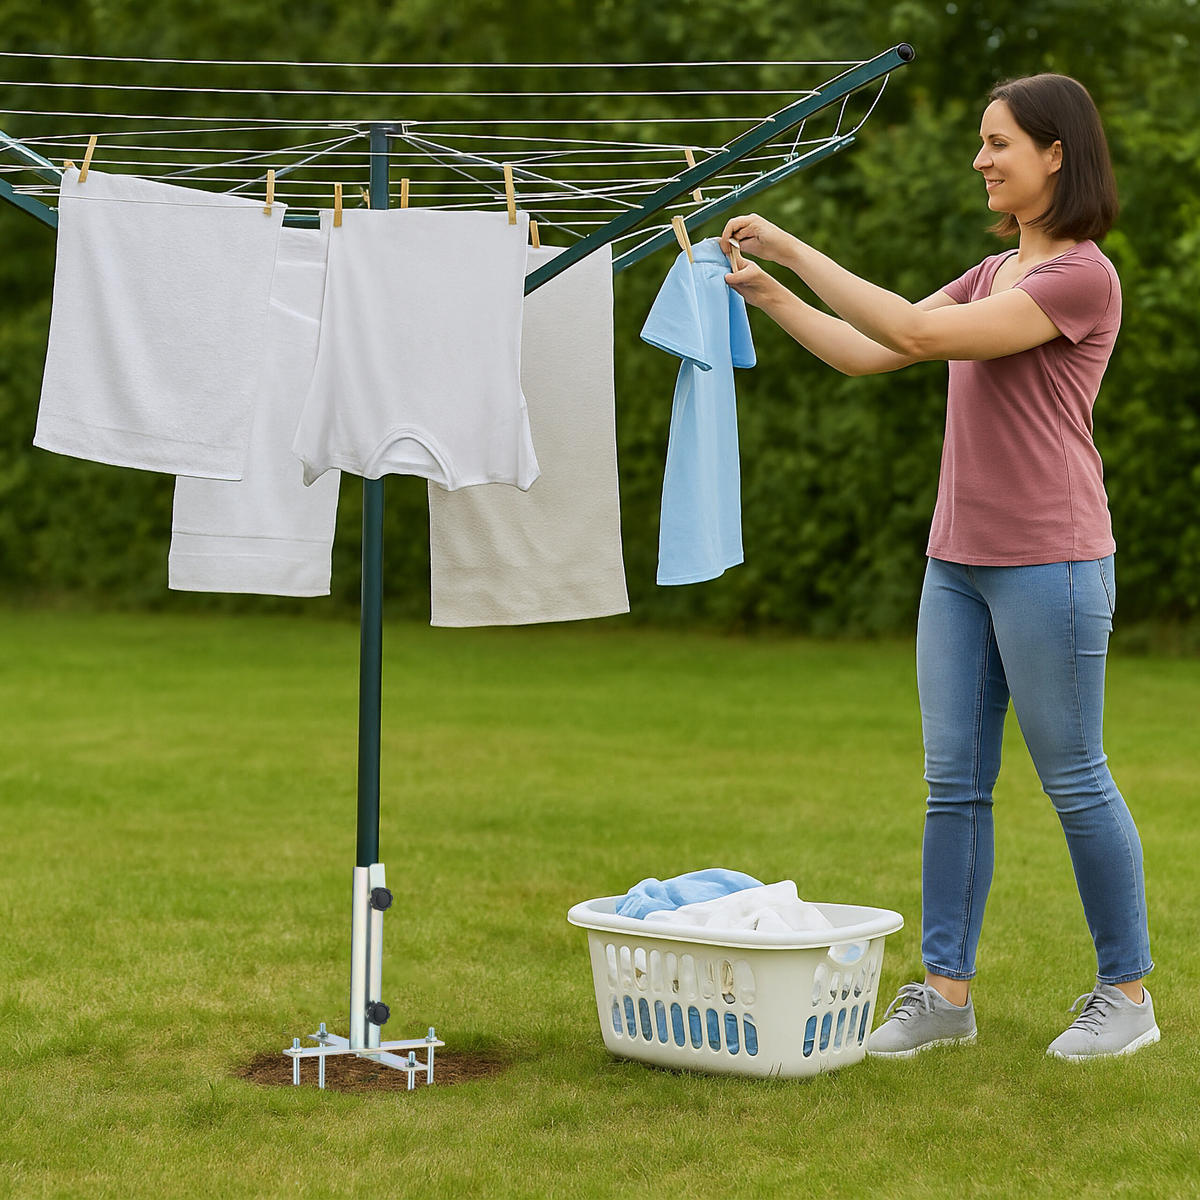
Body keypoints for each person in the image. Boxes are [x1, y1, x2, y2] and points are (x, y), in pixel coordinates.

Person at [720, 73, 1158, 1061]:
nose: (981, 158)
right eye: (980, 140)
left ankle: (1126, 993)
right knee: (952, 784)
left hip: (1054, 560)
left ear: (1056, 153)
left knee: (1075, 776)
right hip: (956, 563)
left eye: (997, 141)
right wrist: (771, 293)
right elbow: (870, 353)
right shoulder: (991, 270)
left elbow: (915, 334)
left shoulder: (1081, 278)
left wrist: (792, 242)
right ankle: (946, 996)